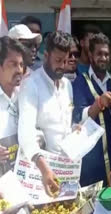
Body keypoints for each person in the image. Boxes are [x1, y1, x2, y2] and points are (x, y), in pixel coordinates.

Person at [18, 31, 72, 196]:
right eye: (58, 61)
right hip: (41, 173)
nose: (62, 66)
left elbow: (65, 125)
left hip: (68, 170)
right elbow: (25, 134)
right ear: (46, 55)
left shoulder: (67, 85)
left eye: (65, 60)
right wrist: (44, 169)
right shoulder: (31, 85)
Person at [72, 33, 111, 187]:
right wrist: (99, 103)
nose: (104, 58)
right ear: (91, 55)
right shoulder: (79, 82)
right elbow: (79, 117)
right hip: (92, 159)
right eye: (99, 54)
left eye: (107, 54)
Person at [0, 37, 26, 172]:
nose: (19, 70)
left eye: (21, 64)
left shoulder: (25, 95)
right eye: (13, 64)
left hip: (21, 177)